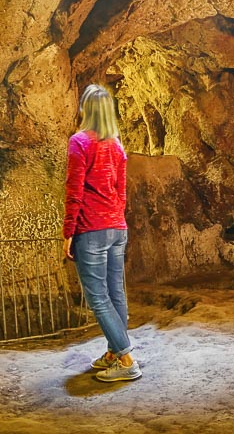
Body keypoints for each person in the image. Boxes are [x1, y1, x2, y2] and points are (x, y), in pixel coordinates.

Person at [64, 84, 140, 382]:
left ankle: (126, 359)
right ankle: (113, 352)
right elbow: (121, 192)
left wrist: (69, 231)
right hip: (116, 228)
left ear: (85, 110)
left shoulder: (79, 142)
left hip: (91, 229)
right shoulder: (117, 146)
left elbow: (75, 191)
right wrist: (115, 218)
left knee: (97, 297)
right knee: (116, 292)